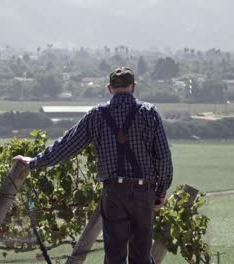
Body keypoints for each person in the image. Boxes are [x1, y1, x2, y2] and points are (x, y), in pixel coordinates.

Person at [13, 67, 173, 264]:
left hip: (114, 192)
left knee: (114, 255)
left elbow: (67, 146)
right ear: (134, 87)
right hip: (143, 192)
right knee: (141, 254)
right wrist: (161, 191)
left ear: (109, 88)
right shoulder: (149, 113)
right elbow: (163, 157)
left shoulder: (96, 115)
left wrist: (35, 162)